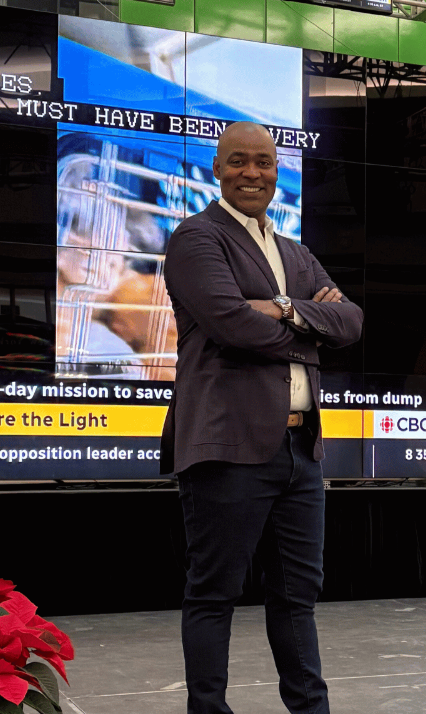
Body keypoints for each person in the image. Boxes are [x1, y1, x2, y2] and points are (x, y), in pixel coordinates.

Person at [160, 121, 363, 714]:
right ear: (217, 168)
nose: (252, 173)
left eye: (264, 162)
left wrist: (279, 309)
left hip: (301, 452)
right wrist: (311, 331)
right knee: (213, 594)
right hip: (227, 447)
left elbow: (351, 322)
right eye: (239, 161)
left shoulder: (295, 251)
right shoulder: (197, 238)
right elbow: (231, 325)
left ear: (278, 171)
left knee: (298, 598)